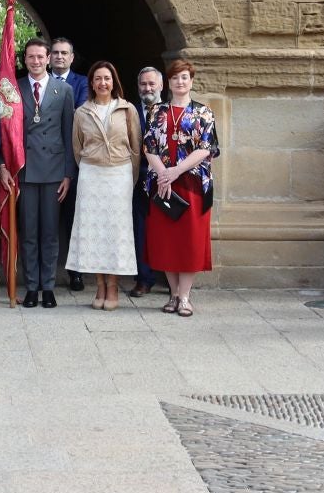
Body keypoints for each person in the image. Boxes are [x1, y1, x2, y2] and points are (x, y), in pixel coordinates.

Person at [143, 58, 218, 318]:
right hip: (162, 184)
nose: (180, 81)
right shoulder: (156, 111)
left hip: (193, 184)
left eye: (184, 77)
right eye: (175, 77)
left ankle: (185, 296)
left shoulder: (204, 112)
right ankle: (173, 294)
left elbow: (207, 149)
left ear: (191, 80)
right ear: (169, 82)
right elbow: (149, 147)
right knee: (166, 241)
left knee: (190, 241)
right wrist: (163, 173)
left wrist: (176, 170)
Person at [5, 39, 75, 308]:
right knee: (29, 232)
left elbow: (68, 133)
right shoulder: (15, 88)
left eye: (40, 57)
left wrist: (68, 173)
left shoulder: (64, 90)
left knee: (49, 233)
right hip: (25, 169)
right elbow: (6, 132)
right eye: (30, 57)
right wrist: (6, 165)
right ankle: (31, 286)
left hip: (54, 169)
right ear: (25, 60)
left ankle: (48, 287)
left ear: (48, 59)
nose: (35, 61)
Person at [67, 61, 141, 311]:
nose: (102, 83)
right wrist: (91, 165)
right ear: (91, 83)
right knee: (94, 233)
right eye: (97, 78)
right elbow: (77, 148)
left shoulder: (126, 109)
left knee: (116, 233)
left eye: (107, 78)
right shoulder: (82, 112)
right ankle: (99, 285)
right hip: (91, 175)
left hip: (119, 175)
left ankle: (113, 287)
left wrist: (129, 178)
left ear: (114, 81)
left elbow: (135, 146)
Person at [49, 36, 90, 290]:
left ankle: (75, 272)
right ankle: (46, 272)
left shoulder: (82, 83)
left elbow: (79, 115)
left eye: (65, 53)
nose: (60, 56)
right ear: (48, 56)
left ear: (72, 57)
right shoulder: (39, 82)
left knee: (74, 220)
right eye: (55, 52)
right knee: (47, 220)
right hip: (44, 161)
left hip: (74, 160)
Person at [129, 66, 167, 299]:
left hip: (168, 178)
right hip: (137, 177)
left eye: (152, 84)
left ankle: (172, 276)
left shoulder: (172, 111)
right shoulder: (130, 111)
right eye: (143, 84)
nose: (147, 88)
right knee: (140, 229)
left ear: (161, 86)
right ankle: (144, 278)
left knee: (168, 228)